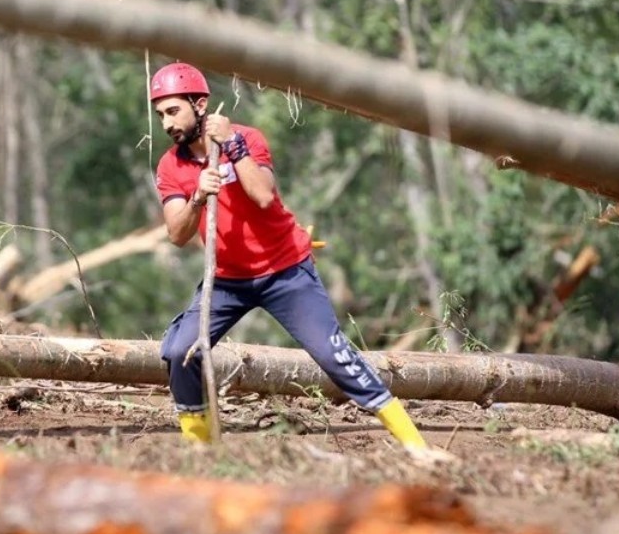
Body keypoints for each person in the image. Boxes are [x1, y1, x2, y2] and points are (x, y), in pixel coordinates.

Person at [150, 61, 427, 449]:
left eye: (173, 111)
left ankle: (417, 446)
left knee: (334, 357)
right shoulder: (170, 166)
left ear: (200, 104)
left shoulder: (247, 138)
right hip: (228, 280)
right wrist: (197, 195)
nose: (166, 123)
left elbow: (263, 195)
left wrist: (232, 146)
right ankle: (202, 453)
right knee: (181, 352)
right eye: (160, 114)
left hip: (285, 272)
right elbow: (177, 234)